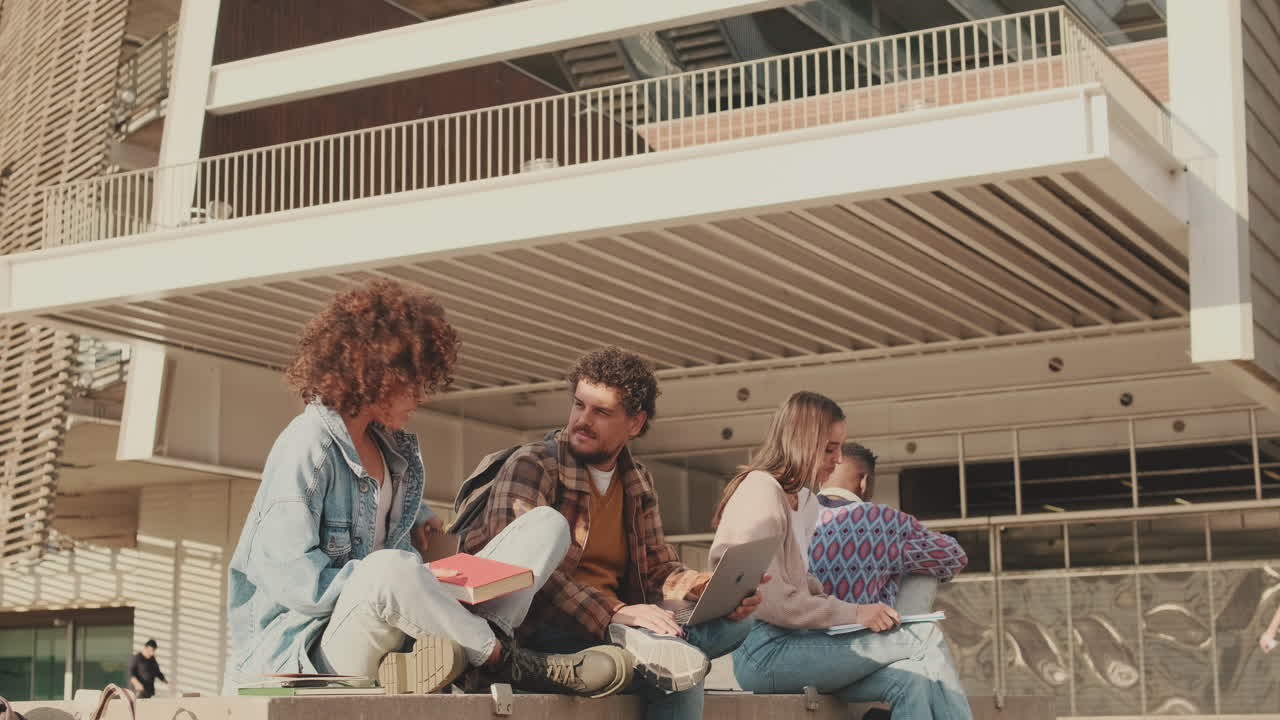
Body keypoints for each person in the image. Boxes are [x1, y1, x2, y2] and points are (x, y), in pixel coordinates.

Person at [224, 280, 630, 697]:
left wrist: (418, 523)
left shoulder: (388, 447)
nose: (421, 396)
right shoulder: (308, 444)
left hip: (404, 627)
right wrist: (414, 579)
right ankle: (504, 662)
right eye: (415, 383)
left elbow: (371, 513)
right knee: (389, 568)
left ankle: (468, 653)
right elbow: (292, 580)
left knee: (547, 525)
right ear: (378, 377)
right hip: (309, 651)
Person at [460, 346, 763, 720]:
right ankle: (644, 650)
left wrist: (709, 588)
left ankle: (639, 650)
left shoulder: (637, 481)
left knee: (737, 623)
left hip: (623, 623)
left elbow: (658, 570)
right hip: (544, 631)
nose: (582, 420)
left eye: (601, 412)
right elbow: (521, 578)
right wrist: (614, 612)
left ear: (634, 423)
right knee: (679, 668)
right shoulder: (533, 464)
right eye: (579, 405)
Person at [710, 391, 973, 719]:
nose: (837, 459)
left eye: (840, 447)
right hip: (765, 654)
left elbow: (797, 582)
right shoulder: (761, 491)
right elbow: (775, 603)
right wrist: (855, 613)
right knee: (924, 636)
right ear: (798, 442)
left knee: (912, 681)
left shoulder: (805, 502)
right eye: (829, 448)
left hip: (802, 645)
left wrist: (842, 609)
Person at [808, 440, 967, 608]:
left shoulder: (793, 515)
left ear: (820, 480)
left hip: (797, 631)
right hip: (865, 632)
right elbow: (953, 557)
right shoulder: (885, 520)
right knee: (912, 566)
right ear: (864, 482)